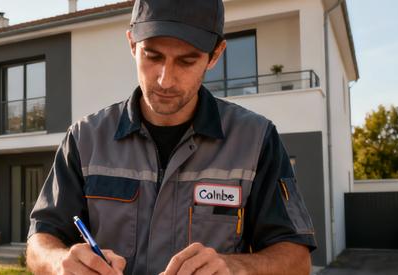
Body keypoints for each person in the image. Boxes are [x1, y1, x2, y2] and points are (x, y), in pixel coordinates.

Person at [25, 0, 317, 274]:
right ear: (131, 44)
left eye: (187, 61)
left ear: (215, 55)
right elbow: (39, 242)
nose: (165, 80)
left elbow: (297, 259)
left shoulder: (256, 140)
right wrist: (59, 261)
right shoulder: (84, 139)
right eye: (153, 56)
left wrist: (234, 267)